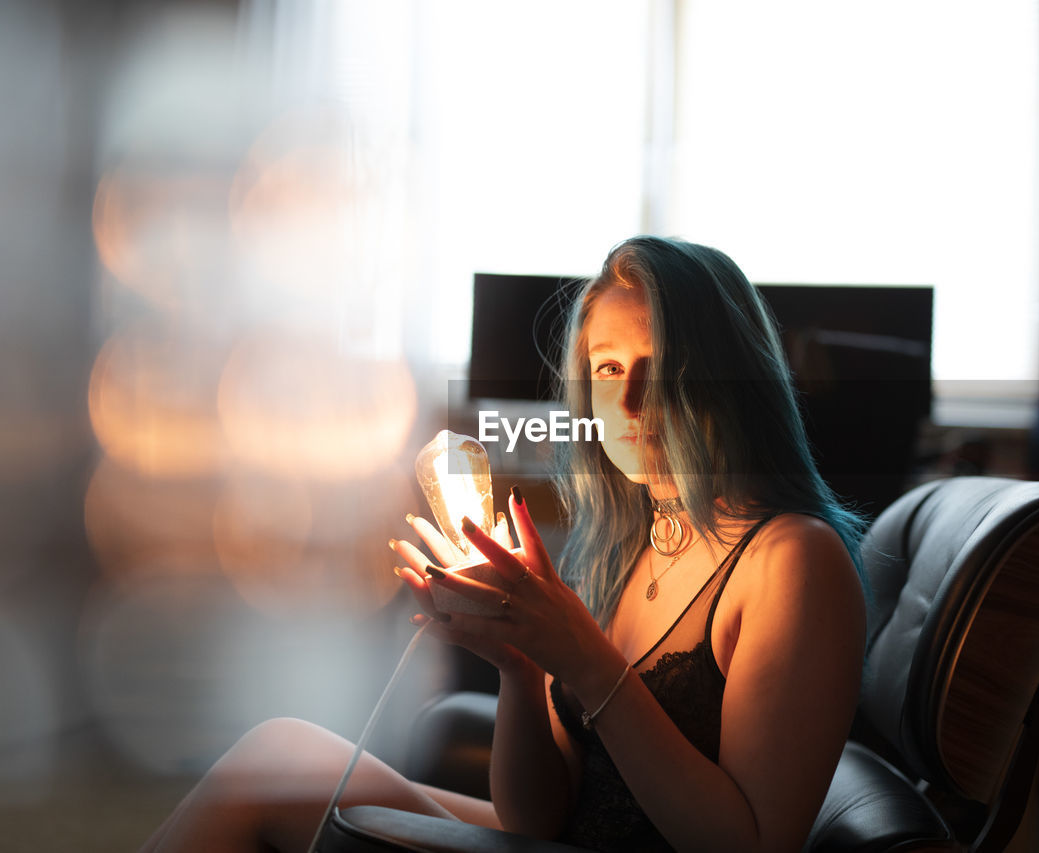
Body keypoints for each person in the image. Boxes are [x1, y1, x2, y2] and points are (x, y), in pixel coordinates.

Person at [143, 236, 867, 852]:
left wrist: (584, 655)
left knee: (272, 766)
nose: (632, 402)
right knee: (277, 754)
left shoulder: (793, 560)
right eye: (609, 370)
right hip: (559, 839)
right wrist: (520, 670)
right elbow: (534, 815)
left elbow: (752, 843)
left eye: (664, 364)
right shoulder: (636, 541)